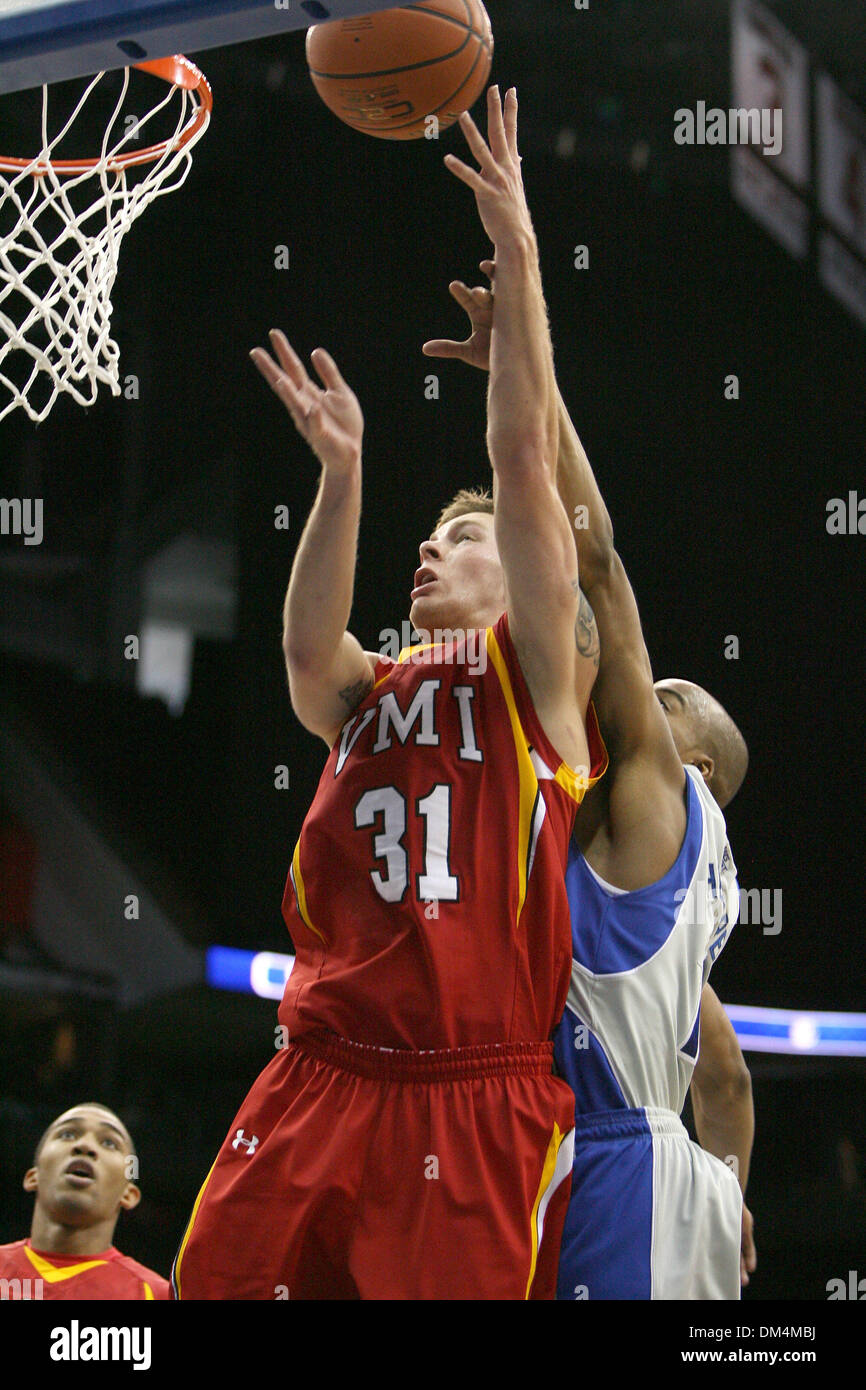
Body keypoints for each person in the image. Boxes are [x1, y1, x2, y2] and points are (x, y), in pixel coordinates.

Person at [172, 86, 606, 1302]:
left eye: (457, 538)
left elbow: (519, 460)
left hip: (471, 1089)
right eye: (427, 540)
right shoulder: (374, 686)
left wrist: (517, 254)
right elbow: (309, 659)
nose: (432, 551)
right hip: (318, 1070)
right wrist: (343, 473)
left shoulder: (535, 687)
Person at [424, 276, 756, 1300]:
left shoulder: (661, 802)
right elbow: (729, 1075)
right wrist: (732, 1191)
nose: (638, 697)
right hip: (583, 1154)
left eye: (667, 699)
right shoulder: (644, 886)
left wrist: (528, 371)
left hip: (621, 1169)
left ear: (692, 769)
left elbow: (597, 570)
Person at [0, 1103, 169, 1300]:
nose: (85, 1146)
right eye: (67, 1135)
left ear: (129, 1194)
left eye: (109, 1143)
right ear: (32, 1177)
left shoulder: (155, 1295)